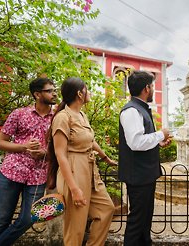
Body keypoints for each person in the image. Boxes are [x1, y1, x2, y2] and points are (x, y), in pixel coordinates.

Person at [0, 77, 57, 246]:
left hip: (38, 176)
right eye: (50, 91)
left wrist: (44, 153)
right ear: (37, 94)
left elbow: (59, 149)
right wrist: (24, 147)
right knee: (0, 221)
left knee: (29, 218)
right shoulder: (19, 114)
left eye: (55, 90)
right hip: (11, 172)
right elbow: (0, 143)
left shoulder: (57, 118)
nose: (54, 94)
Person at [47, 77, 116, 246]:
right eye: (87, 89)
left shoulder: (82, 115)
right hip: (73, 170)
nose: (90, 92)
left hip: (89, 168)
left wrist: (104, 157)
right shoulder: (62, 118)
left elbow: (89, 140)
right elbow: (60, 154)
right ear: (80, 94)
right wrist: (74, 189)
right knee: (75, 227)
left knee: (106, 209)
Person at [119, 70, 171, 246]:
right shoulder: (132, 111)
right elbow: (135, 142)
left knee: (144, 220)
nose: (154, 90)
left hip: (144, 175)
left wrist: (157, 142)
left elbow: (142, 140)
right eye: (153, 86)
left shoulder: (139, 108)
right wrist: (160, 135)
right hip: (138, 176)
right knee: (137, 222)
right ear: (146, 88)